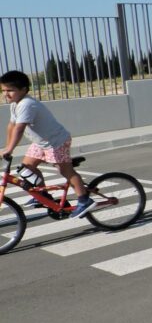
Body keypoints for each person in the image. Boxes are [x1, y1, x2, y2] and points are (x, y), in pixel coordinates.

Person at [1, 70, 95, 217]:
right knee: (27, 168)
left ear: (23, 89)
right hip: (41, 143)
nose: (6, 94)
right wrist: (7, 148)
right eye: (3, 90)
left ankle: (84, 200)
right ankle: (43, 196)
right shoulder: (15, 104)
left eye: (10, 90)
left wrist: (10, 148)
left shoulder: (27, 104)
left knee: (66, 171)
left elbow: (19, 129)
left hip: (56, 142)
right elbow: (11, 126)